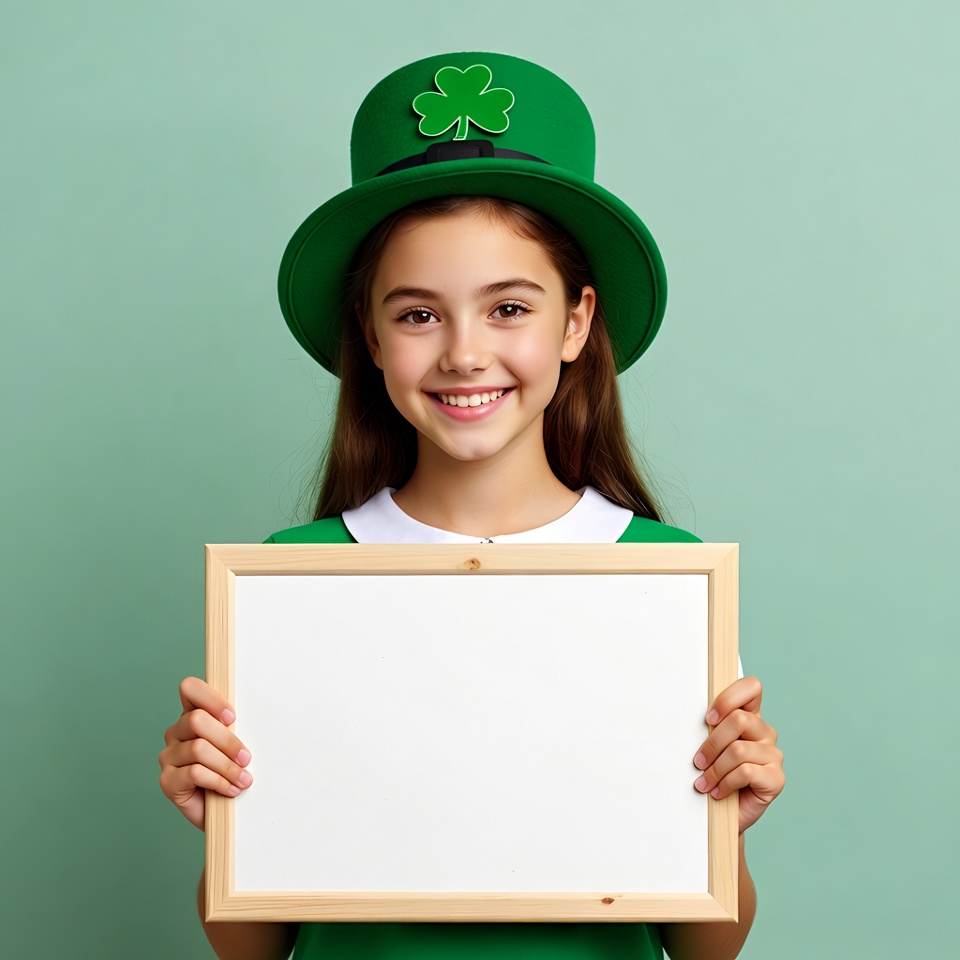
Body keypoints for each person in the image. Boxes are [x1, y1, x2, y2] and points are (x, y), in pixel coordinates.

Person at [159, 52, 785, 960]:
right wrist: (223, 822)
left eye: (508, 308)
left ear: (575, 323)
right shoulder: (294, 576)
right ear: (369, 334)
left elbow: (703, 949)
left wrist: (722, 828)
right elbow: (253, 946)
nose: (462, 354)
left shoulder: (662, 575)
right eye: (418, 315)